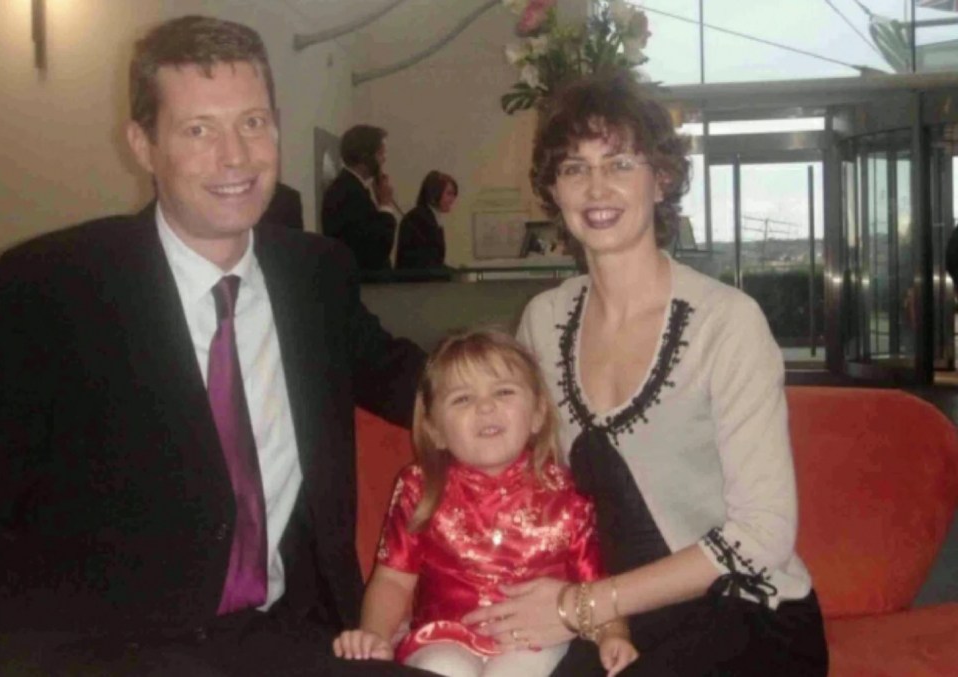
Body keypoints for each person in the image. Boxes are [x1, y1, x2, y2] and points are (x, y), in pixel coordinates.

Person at [0, 15, 433, 676]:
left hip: (288, 636)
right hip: (108, 649)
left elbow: (407, 377)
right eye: (199, 129)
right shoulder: (51, 288)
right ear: (143, 145)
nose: (236, 157)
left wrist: (543, 391)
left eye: (253, 123)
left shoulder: (314, 273)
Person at [462, 72, 829, 675]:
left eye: (620, 163)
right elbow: (530, 487)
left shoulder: (726, 323)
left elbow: (763, 533)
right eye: (574, 168)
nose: (596, 187)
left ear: (661, 180)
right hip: (616, 622)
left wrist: (582, 603)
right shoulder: (543, 319)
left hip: (742, 615)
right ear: (553, 190)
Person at [333, 328, 638, 677]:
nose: (486, 406)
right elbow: (394, 580)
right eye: (462, 399)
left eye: (504, 392)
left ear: (538, 413)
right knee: (442, 668)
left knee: (517, 671)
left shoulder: (567, 493)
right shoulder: (419, 487)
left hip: (535, 634)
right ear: (434, 429)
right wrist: (375, 636)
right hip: (442, 635)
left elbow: (593, 582)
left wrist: (614, 634)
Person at [323, 124, 400, 272]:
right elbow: (377, 248)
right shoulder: (348, 192)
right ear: (366, 157)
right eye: (380, 154)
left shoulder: (352, 188)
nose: (384, 160)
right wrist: (385, 205)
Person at [395, 171, 458, 271]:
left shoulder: (427, 218)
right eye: (449, 193)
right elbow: (426, 263)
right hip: (416, 285)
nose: (453, 199)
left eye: (453, 194)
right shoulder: (418, 219)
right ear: (434, 193)